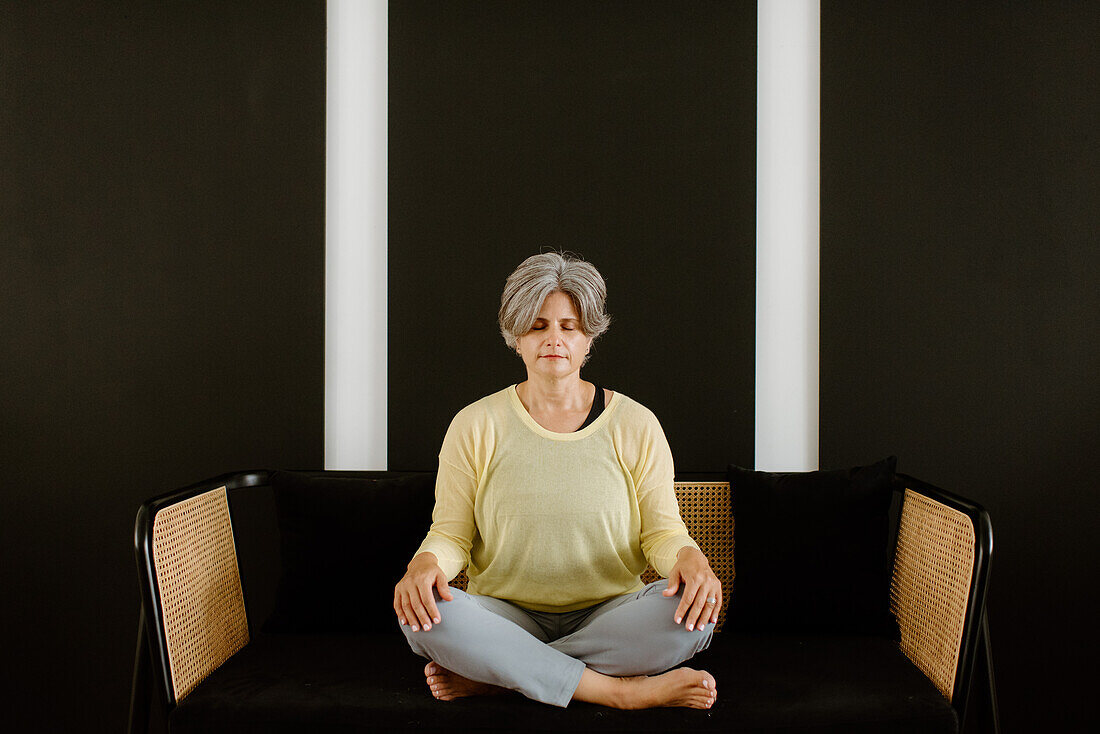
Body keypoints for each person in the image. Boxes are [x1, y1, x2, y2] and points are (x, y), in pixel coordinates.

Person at [393, 252, 721, 710]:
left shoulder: (636, 423)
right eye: (538, 325)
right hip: (505, 614)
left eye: (569, 327)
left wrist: (689, 557)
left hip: (611, 613)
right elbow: (451, 534)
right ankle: (617, 692)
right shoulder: (474, 424)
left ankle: (501, 677)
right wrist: (425, 563)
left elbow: (662, 532)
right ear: (516, 337)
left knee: (692, 616)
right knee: (424, 616)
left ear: (589, 338)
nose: (554, 339)